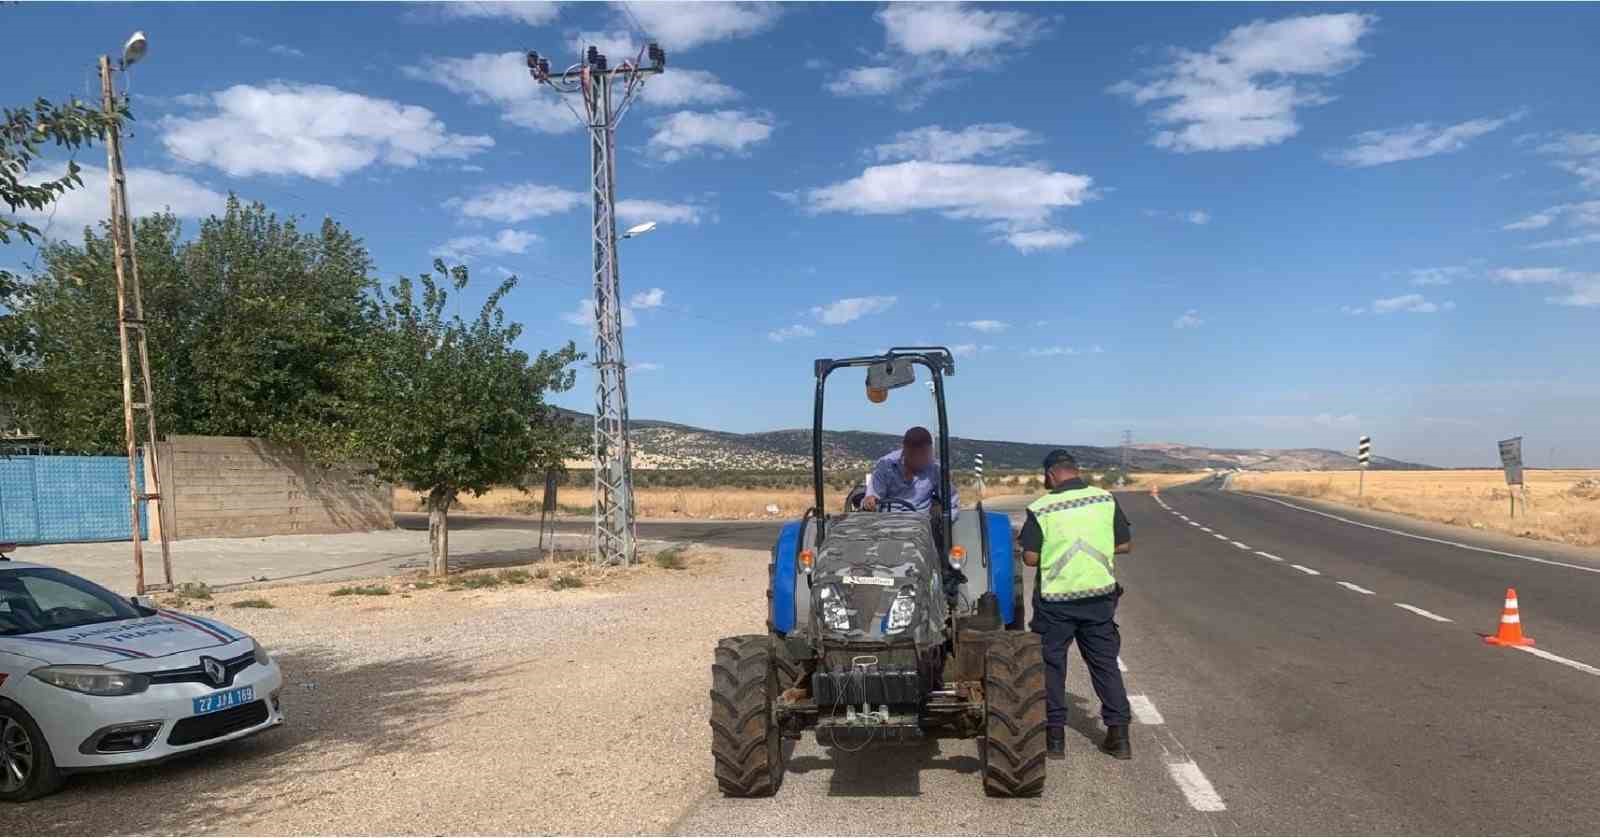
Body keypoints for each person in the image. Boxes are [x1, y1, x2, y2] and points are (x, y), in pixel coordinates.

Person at [1019, 449, 1133, 761]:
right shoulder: (1104, 500)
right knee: (1104, 663)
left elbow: (1029, 558)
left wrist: (1057, 555)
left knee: (1053, 666)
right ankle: (1119, 736)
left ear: (1051, 474)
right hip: (1099, 598)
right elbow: (1124, 543)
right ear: (1075, 470)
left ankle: (1054, 738)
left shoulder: (1042, 508)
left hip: (1056, 602)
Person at [860, 426, 959, 517]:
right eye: (914, 454)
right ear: (905, 450)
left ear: (930, 451)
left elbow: (951, 503)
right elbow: (872, 497)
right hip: (887, 522)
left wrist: (944, 523)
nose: (920, 458)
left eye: (924, 454)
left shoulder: (935, 469)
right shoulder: (885, 466)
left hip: (920, 525)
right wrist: (870, 501)